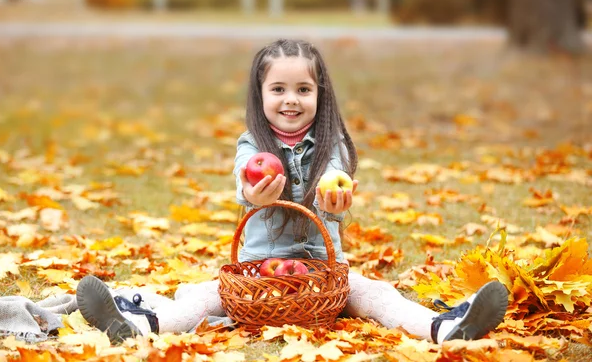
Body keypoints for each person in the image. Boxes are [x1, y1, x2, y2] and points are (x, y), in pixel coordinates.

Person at [76, 39, 508, 344]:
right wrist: (254, 195)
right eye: (278, 89)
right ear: (260, 94)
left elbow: (333, 177)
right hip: (259, 275)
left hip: (323, 276)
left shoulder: (331, 144)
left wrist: (332, 201)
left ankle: (446, 328)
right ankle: (137, 325)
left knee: (377, 294)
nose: (291, 100)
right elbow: (244, 181)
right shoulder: (251, 145)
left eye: (303, 89)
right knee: (205, 299)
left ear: (320, 94)